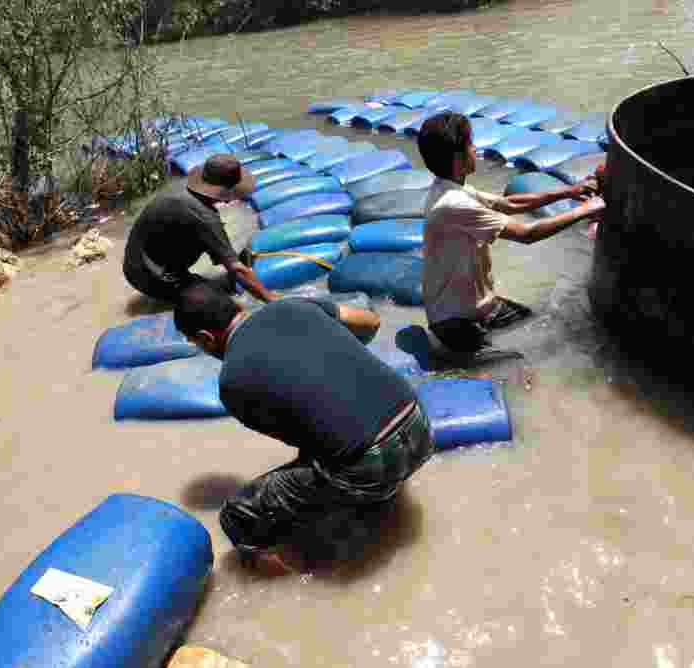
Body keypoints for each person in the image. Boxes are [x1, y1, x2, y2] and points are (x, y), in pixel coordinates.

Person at [174, 281, 435, 572]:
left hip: (370, 463)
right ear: (234, 306)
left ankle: (294, 593)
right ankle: (377, 497)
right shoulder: (292, 305)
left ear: (205, 337)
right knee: (344, 449)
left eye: (194, 342)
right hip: (420, 425)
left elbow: (305, 443)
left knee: (238, 516)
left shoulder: (232, 383)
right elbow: (371, 322)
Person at [417, 111, 607, 356]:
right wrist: (584, 210)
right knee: (519, 362)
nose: (475, 149)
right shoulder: (453, 203)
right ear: (458, 158)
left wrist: (568, 192)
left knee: (538, 323)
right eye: (470, 144)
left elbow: (510, 204)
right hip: (455, 324)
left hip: (482, 308)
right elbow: (527, 233)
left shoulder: (451, 189)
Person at [123, 154, 279, 305]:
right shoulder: (203, 216)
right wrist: (270, 298)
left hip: (139, 259)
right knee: (219, 303)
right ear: (226, 191)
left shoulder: (182, 188)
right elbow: (236, 269)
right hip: (148, 275)